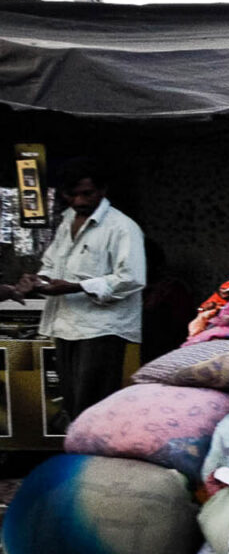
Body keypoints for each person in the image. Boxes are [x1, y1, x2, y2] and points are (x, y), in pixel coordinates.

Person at [9, 161, 147, 422]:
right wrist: (36, 280)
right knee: (72, 403)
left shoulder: (121, 227)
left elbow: (131, 278)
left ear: (102, 190)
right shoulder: (67, 222)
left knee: (93, 404)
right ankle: (77, 453)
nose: (79, 201)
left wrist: (75, 286)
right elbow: (52, 265)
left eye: (87, 193)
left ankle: (93, 458)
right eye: (72, 195)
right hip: (66, 325)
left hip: (101, 328)